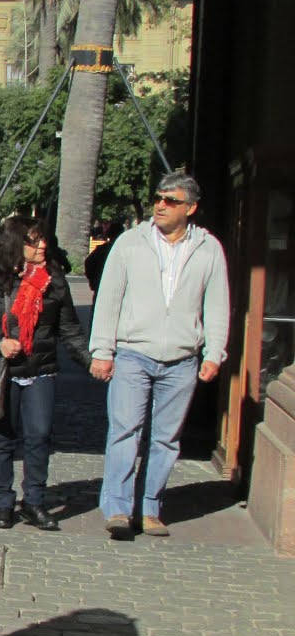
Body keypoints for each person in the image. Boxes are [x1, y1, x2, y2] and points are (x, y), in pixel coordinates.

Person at [90, 171, 230, 539]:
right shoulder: (130, 243)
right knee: (125, 432)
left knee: (167, 438)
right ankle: (118, 508)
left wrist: (214, 353)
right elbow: (108, 300)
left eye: (171, 200)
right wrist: (102, 351)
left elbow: (217, 305)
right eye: (158, 198)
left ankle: (150, 507)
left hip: (182, 358)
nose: (161, 205)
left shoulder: (208, 248)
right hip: (133, 353)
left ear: (191, 208)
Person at [0, 216, 92, 531]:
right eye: (33, 241)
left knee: (39, 436)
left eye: (42, 239)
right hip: (1, 371)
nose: (42, 246)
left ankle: (34, 502)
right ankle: (3, 504)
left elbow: (69, 329)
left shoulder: (53, 280)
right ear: (14, 245)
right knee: (2, 438)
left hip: (41, 370)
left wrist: (92, 361)